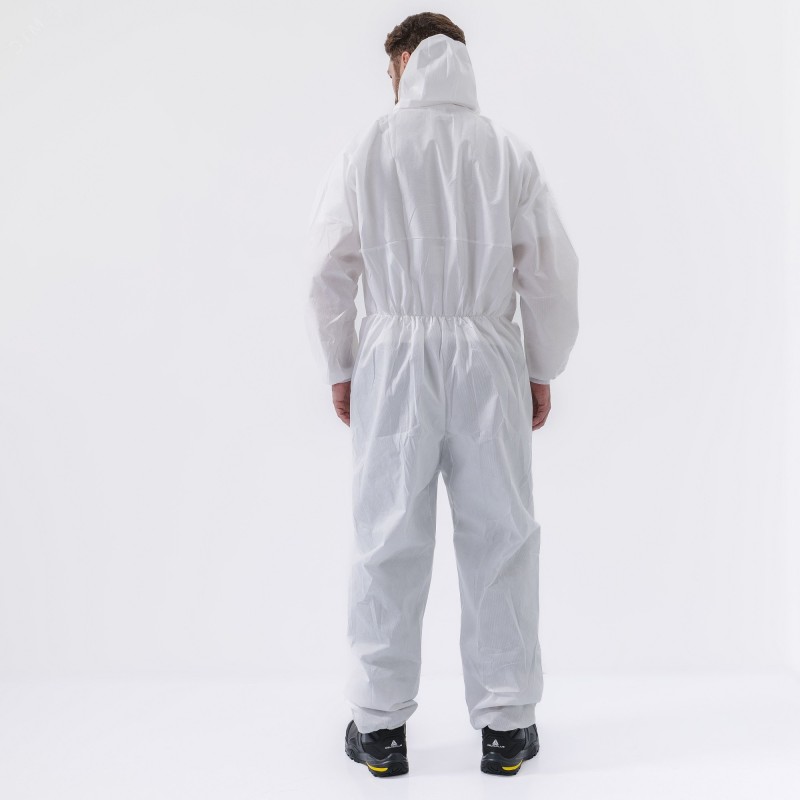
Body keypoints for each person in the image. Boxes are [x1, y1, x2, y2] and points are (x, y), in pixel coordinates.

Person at [305, 12, 579, 778]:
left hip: (393, 356)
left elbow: (328, 267)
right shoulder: (505, 151)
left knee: (387, 534)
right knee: (501, 535)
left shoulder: (368, 149)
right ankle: (507, 726)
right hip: (488, 354)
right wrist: (541, 363)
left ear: (405, 61)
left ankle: (379, 726)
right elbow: (550, 270)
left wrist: (341, 363)